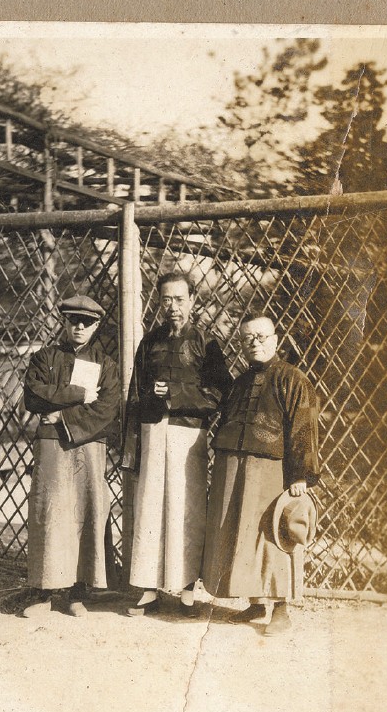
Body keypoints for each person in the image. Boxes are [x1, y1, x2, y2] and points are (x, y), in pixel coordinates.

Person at [202, 310, 320, 635]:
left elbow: (304, 427)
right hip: (233, 467)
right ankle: (255, 603)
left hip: (270, 470)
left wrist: (300, 475)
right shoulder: (239, 382)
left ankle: (280, 610)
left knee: (273, 538)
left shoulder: (292, 379)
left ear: (275, 340)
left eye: (261, 336)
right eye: (247, 338)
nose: (255, 343)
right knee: (241, 536)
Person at [122, 272, 232, 616]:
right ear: (159, 302)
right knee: (150, 507)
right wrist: (147, 406)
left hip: (188, 436)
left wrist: (176, 394)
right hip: (153, 432)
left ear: (192, 301)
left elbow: (220, 393)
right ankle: (148, 589)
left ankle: (186, 589)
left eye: (180, 299)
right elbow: (135, 392)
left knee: (186, 509)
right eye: (167, 299)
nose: (173, 307)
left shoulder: (205, 343)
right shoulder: (149, 342)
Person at [21, 295, 120, 616]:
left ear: (96, 325)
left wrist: (60, 416)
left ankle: (77, 593)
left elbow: (106, 409)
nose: (79, 326)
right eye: (73, 320)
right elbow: (33, 396)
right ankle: (45, 594)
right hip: (52, 445)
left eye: (87, 322)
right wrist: (77, 394)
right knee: (50, 513)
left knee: (84, 512)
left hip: (89, 445)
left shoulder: (106, 365)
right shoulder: (44, 358)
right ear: (64, 321)